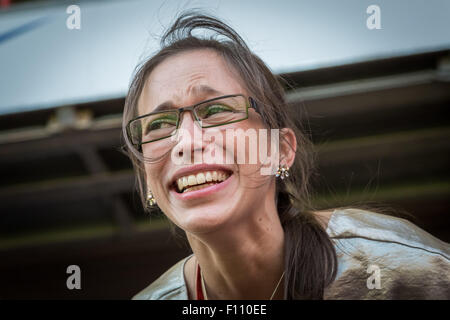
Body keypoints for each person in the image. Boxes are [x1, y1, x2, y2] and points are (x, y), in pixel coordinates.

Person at [122, 12, 450, 300]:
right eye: (160, 124)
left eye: (217, 109)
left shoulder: (410, 270)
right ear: (146, 179)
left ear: (280, 150)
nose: (186, 141)